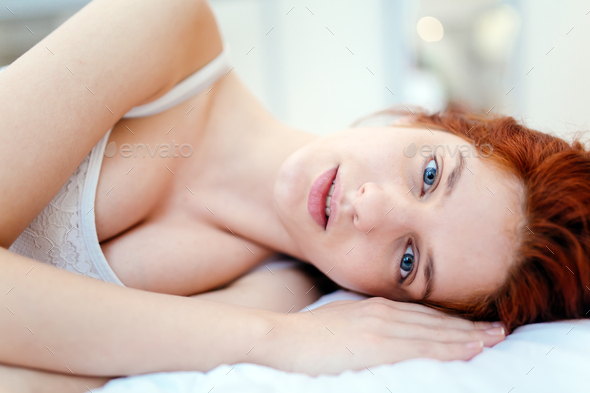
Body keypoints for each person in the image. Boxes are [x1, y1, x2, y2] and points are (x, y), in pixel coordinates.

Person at [0, 0, 588, 391]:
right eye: (431, 174)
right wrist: (278, 341)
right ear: (435, 123)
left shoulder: (276, 296)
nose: (369, 208)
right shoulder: (166, 27)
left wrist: (280, 334)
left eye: (408, 260)